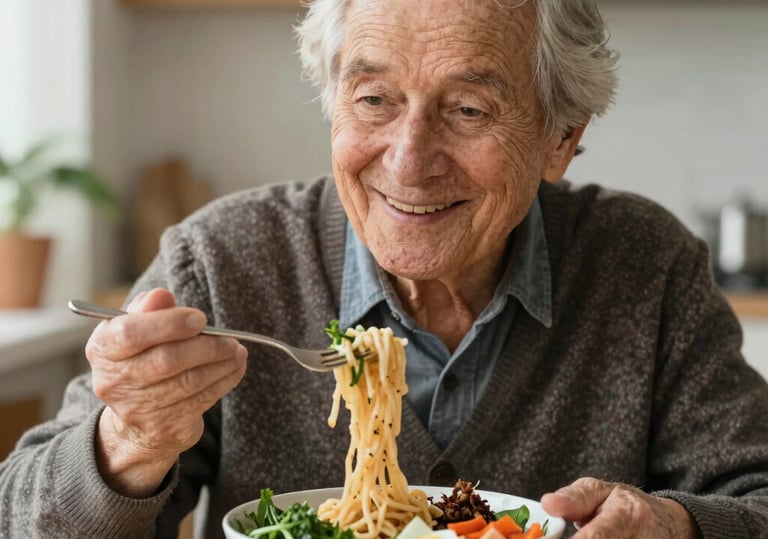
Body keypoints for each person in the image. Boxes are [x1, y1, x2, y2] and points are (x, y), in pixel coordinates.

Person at [1, 0, 767, 537]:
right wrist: (126, 445)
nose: (408, 160)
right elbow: (19, 516)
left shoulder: (644, 266)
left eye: (468, 110)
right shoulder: (223, 261)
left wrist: (680, 524)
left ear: (561, 137)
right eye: (373, 99)